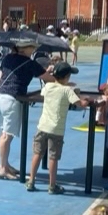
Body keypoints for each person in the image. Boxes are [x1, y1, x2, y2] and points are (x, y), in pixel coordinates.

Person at [0, 42, 55, 179]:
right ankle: (3, 169)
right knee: (6, 136)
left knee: (3, 134)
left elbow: (2, 75)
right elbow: (48, 78)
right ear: (25, 48)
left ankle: (4, 164)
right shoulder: (29, 63)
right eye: (32, 47)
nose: (34, 49)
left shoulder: (8, 58)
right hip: (11, 99)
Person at [26, 62, 91, 194]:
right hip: (56, 129)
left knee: (37, 154)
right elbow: (80, 104)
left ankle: (31, 181)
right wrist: (87, 100)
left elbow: (48, 91)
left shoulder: (48, 86)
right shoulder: (67, 91)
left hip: (42, 126)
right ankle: (52, 185)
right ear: (66, 77)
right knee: (53, 157)